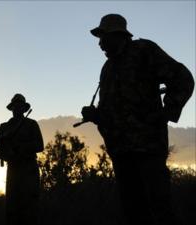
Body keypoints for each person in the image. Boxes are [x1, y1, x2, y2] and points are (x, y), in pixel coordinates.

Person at [81, 14, 194, 225]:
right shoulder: (107, 69)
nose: (99, 43)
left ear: (116, 35)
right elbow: (111, 112)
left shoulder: (143, 51)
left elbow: (182, 78)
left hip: (148, 148)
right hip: (121, 152)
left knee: (159, 207)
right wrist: (96, 116)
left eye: (102, 36)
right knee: (133, 211)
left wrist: (167, 111)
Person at [0, 94, 43, 225]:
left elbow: (39, 145)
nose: (17, 108)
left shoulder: (31, 124)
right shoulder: (4, 127)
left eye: (20, 106)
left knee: (30, 206)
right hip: (13, 169)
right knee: (12, 207)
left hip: (29, 169)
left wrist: (20, 147)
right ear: (12, 108)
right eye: (15, 106)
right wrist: (3, 147)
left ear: (24, 109)